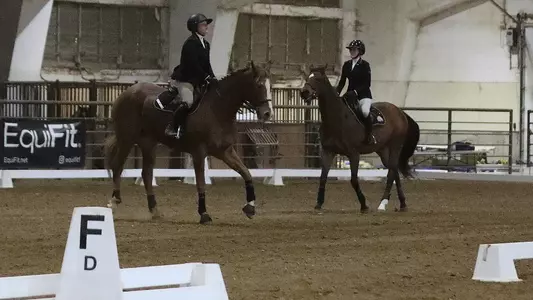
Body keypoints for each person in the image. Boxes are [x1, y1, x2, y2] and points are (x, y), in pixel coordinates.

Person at [163, 13, 218, 138]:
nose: (206, 27)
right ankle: (173, 127)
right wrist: (205, 76)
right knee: (188, 102)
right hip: (186, 80)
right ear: (195, 27)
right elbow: (193, 64)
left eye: (206, 25)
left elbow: (206, 64)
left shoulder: (206, 44)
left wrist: (212, 77)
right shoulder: (190, 43)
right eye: (203, 25)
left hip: (198, 80)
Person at [336, 39, 375, 145]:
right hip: (349, 95)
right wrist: (337, 92)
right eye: (351, 50)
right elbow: (342, 81)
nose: (352, 52)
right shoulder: (347, 65)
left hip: (363, 95)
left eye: (354, 50)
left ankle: (369, 135)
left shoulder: (365, 65)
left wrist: (356, 92)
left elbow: (367, 83)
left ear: (360, 51)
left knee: (365, 111)